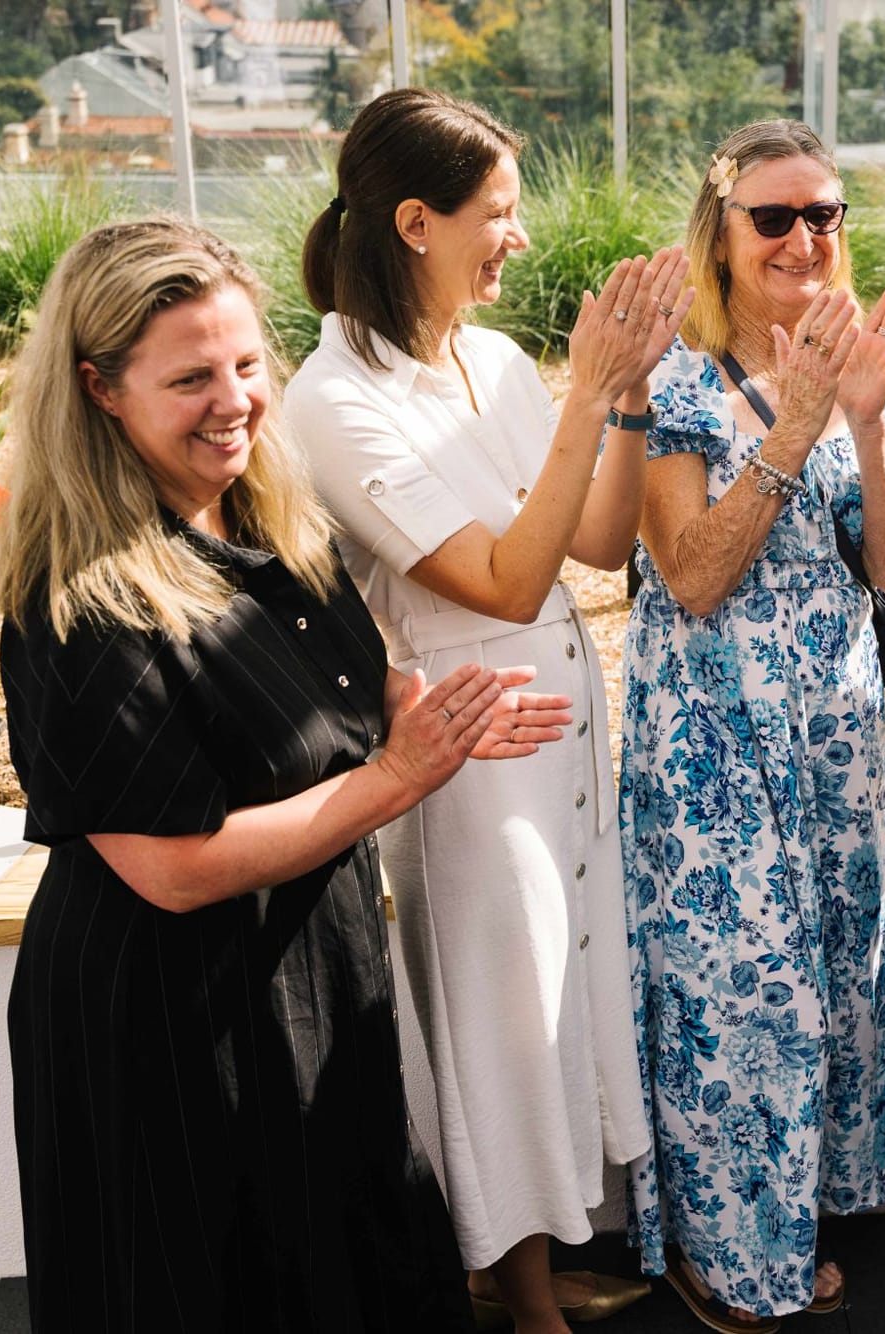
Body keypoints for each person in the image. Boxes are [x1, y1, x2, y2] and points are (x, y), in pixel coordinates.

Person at [0, 217, 570, 1331]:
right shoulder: (80, 595)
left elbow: (355, 685)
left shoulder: (272, 520)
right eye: (191, 377)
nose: (235, 400)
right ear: (100, 388)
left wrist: (431, 712)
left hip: (308, 960)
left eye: (249, 363)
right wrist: (398, 777)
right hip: (166, 1015)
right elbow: (169, 867)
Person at [287, 88, 691, 1333]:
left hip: (563, 724)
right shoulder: (334, 398)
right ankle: (520, 1301)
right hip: (465, 743)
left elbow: (603, 538)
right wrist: (587, 400)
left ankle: (533, 1263)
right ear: (415, 221)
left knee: (563, 994)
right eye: (497, 212)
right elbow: (509, 583)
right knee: (499, 1012)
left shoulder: (495, 359)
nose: (516, 235)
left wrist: (621, 402)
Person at [619, 118, 885, 1331]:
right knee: (735, 989)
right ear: (723, 231)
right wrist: (793, 425)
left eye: (826, 214)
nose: (806, 237)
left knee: (838, 970)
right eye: (775, 216)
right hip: (711, 734)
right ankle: (724, 1254)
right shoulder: (674, 379)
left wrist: (861, 415)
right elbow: (686, 575)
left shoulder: (854, 363)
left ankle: (804, 1208)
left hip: (833, 723)